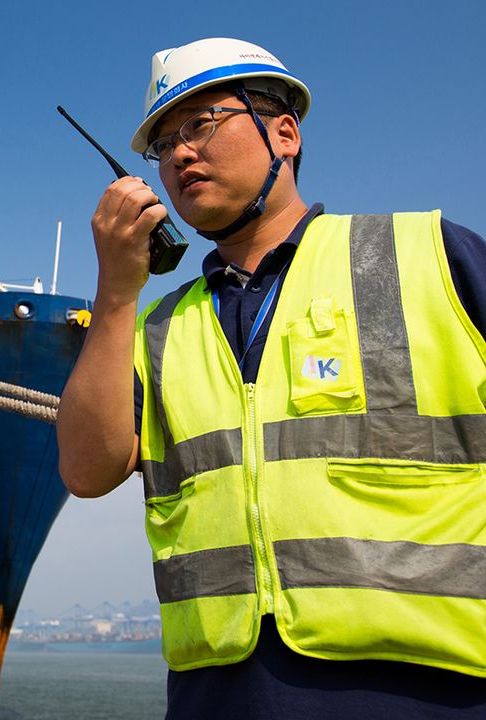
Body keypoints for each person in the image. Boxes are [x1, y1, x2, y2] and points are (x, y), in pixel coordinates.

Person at [55, 37, 486, 718]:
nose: (178, 155)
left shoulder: (431, 256)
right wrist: (115, 292)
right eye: (162, 144)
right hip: (216, 697)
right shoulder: (154, 327)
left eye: (200, 124)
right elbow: (86, 471)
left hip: (435, 695)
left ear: (284, 133)